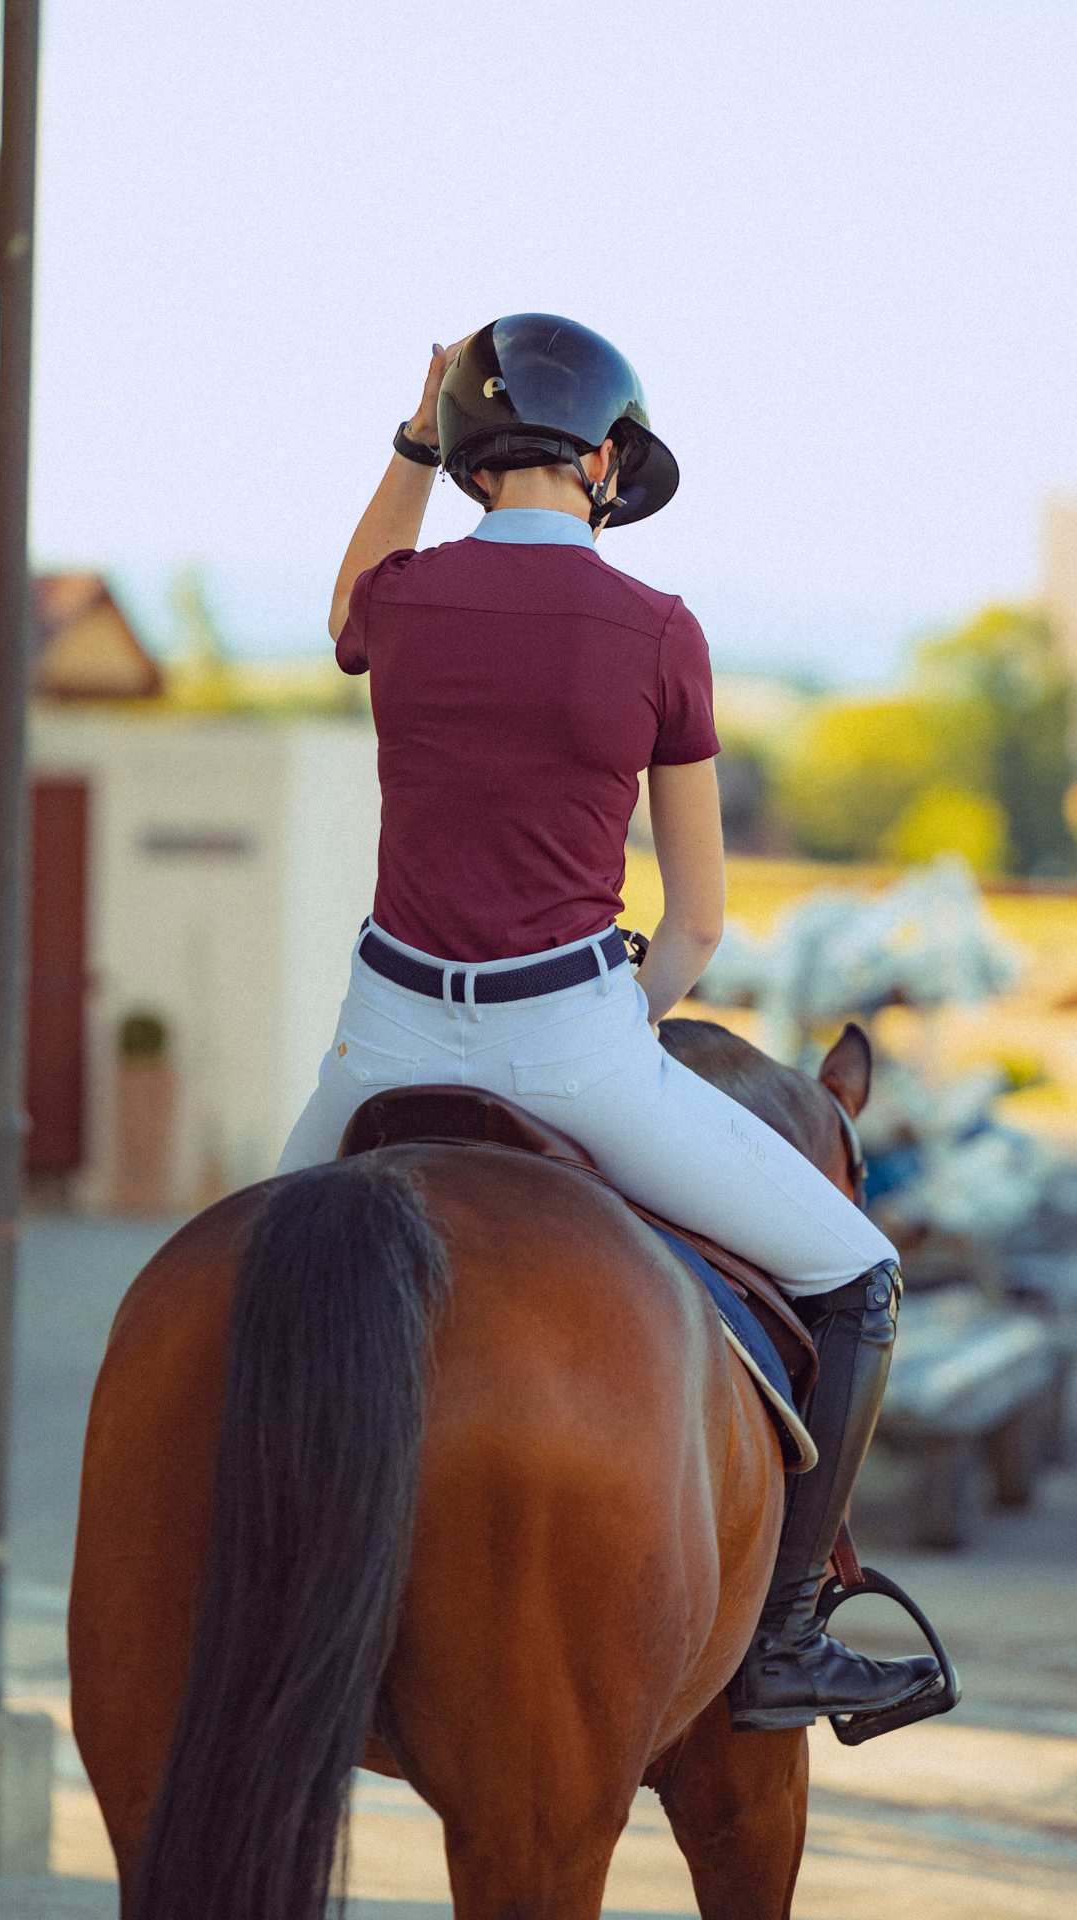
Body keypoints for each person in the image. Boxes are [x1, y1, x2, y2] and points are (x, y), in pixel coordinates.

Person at [278, 314, 938, 1731]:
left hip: (378, 1036)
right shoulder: (660, 631)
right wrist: (611, 1028)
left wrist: (410, 439)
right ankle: (785, 1641)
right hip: (568, 1049)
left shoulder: (400, 600)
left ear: (462, 456)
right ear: (600, 461)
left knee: (252, 1312)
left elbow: (347, 601)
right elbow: (695, 918)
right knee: (864, 1275)